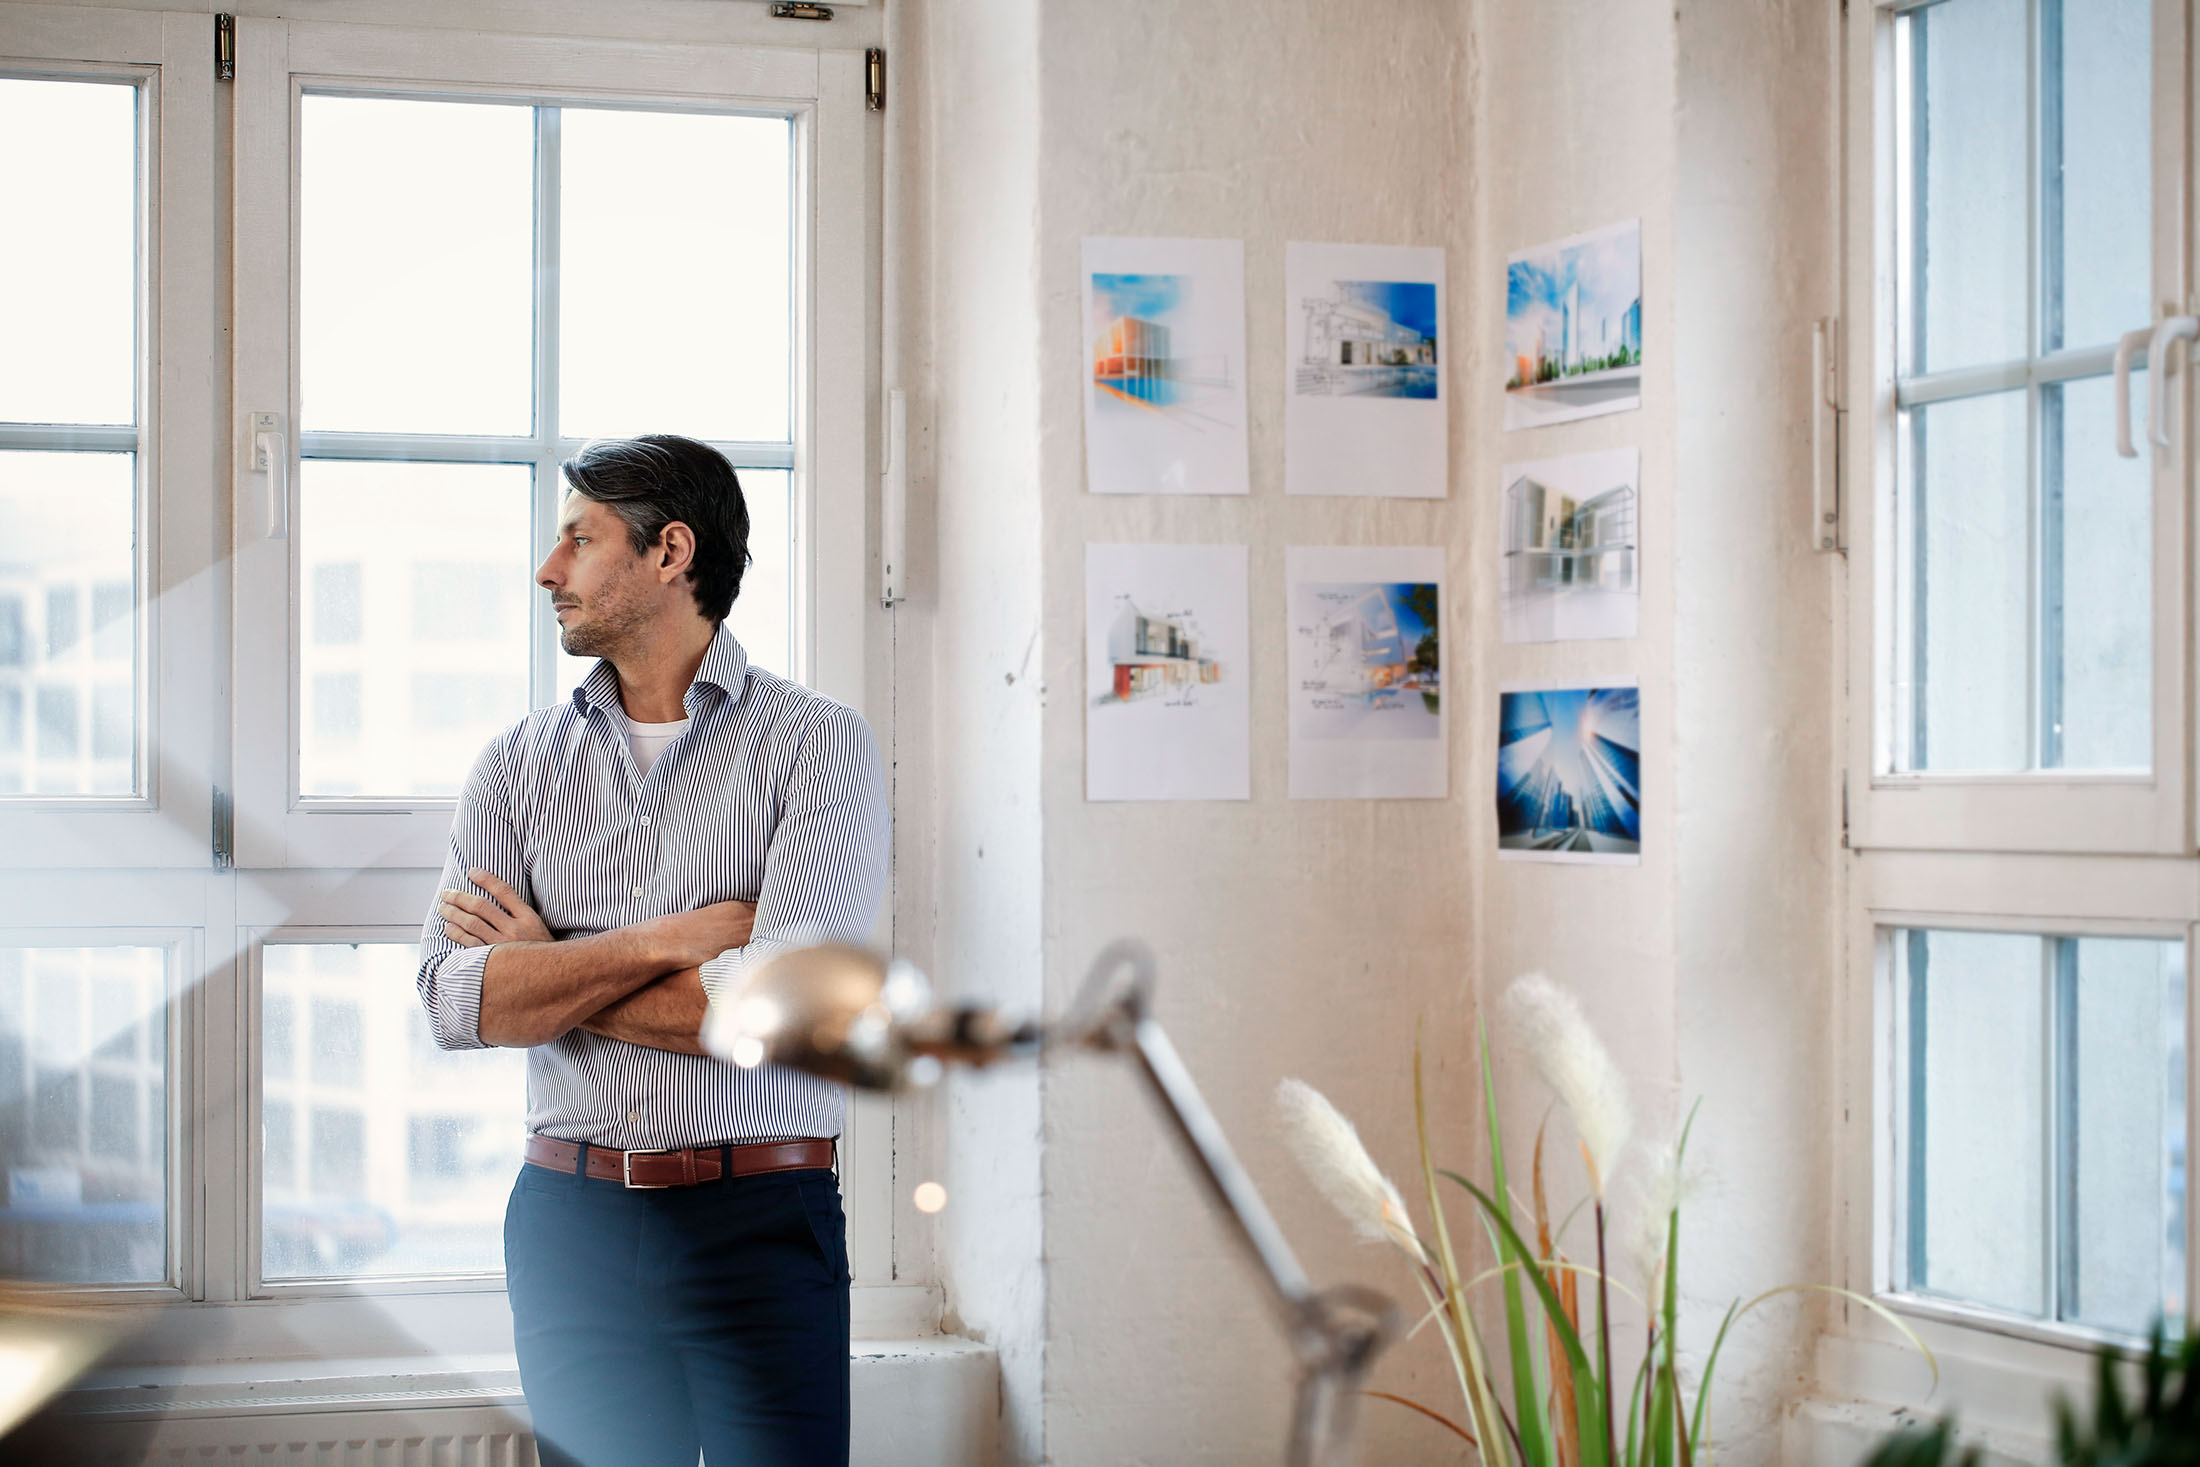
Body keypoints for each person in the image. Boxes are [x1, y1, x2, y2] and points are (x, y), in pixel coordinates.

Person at [414, 434, 888, 1467]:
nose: (549, 571)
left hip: (760, 1220)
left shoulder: (817, 745)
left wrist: (547, 970)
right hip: (567, 1226)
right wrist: (671, 944)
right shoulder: (515, 764)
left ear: (671, 553)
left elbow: (793, 1022)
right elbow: (456, 1005)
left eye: (579, 540)